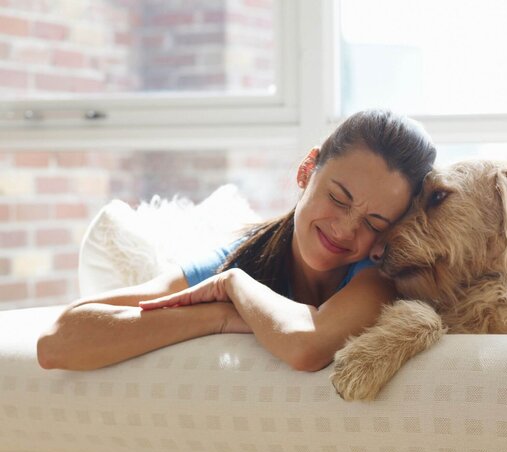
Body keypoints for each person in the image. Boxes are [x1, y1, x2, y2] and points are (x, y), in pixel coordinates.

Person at [37, 109, 437, 372]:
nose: (347, 229)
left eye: (374, 222)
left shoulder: (377, 276)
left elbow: (307, 346)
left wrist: (234, 288)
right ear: (306, 170)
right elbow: (57, 341)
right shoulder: (248, 252)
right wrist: (217, 316)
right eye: (337, 198)